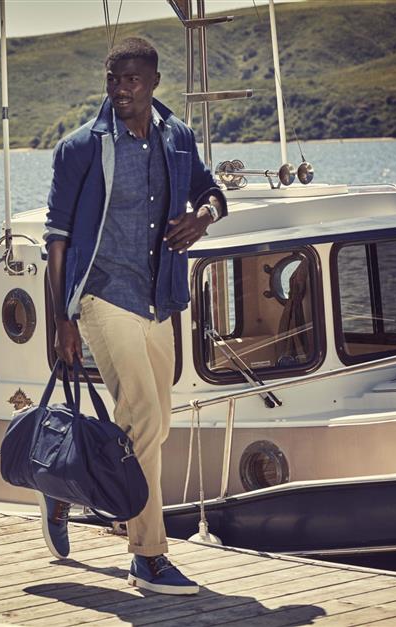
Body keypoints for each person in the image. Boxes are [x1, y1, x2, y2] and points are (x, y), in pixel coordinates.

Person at [41, 37, 226, 596]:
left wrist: (203, 218)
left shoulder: (177, 138)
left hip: (160, 300)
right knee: (143, 416)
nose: (121, 90)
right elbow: (57, 240)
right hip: (102, 296)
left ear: (153, 83)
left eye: (133, 81)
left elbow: (211, 192)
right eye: (114, 80)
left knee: (153, 425)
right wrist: (61, 322)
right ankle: (148, 554)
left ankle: (67, 483)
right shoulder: (80, 148)